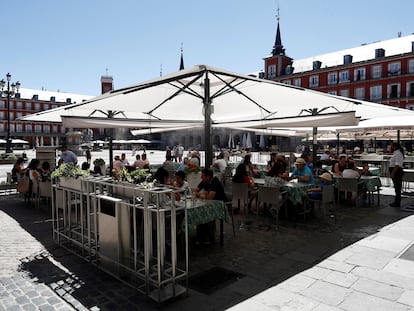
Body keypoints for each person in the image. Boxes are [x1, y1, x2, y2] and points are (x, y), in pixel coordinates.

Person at [194, 168, 226, 244]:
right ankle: (202, 237)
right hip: (209, 204)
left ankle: (207, 237)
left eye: (202, 176)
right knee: (200, 212)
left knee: (203, 214)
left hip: (219, 206)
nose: (201, 177)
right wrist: (203, 194)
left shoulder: (215, 182)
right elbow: (195, 190)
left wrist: (202, 195)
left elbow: (210, 197)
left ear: (208, 177)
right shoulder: (205, 181)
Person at [389, 142, 405, 207]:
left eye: (391, 146)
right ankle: (396, 201)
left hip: (397, 172)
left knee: (397, 187)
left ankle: (397, 202)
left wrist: (393, 172)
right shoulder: (396, 153)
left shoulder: (398, 153)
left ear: (394, 147)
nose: (390, 148)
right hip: (395, 171)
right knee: (396, 187)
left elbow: (397, 165)